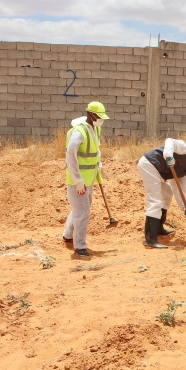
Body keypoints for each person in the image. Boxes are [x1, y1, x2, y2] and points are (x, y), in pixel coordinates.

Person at [138, 139, 186, 249]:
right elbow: (170, 141)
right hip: (150, 164)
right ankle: (150, 239)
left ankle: (159, 228)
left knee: (167, 194)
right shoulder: (184, 150)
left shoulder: (184, 172)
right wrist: (168, 155)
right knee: (155, 201)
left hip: (158, 172)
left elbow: (180, 191)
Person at [62, 101, 109, 257]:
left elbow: (96, 150)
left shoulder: (96, 129)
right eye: (99, 117)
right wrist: (77, 180)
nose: (101, 120)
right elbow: (71, 154)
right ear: (90, 114)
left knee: (79, 209)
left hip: (89, 179)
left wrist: (99, 165)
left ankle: (68, 235)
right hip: (79, 181)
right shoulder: (79, 132)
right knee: (83, 212)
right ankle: (80, 246)